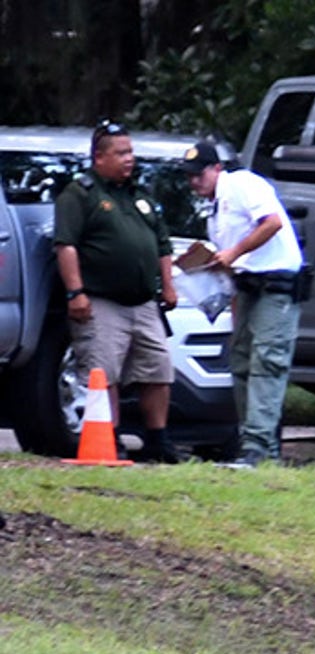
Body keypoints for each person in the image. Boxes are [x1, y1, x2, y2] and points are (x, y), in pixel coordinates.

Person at [52, 122, 184, 463]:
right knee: (102, 372)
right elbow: (66, 245)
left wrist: (168, 284)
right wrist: (75, 292)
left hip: (143, 302)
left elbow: (162, 244)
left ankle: (158, 439)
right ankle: (108, 437)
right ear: (99, 157)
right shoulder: (80, 194)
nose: (129, 159)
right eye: (121, 153)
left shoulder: (139, 196)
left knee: (157, 368)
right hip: (101, 300)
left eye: (131, 152)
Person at [181, 137, 303, 469]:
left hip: (275, 283)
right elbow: (232, 264)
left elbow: (272, 223)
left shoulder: (243, 185)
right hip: (248, 288)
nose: (194, 182)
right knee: (242, 359)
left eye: (200, 174)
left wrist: (234, 253)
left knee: (267, 360)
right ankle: (256, 443)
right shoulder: (214, 211)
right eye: (190, 176)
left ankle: (258, 446)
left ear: (216, 168)